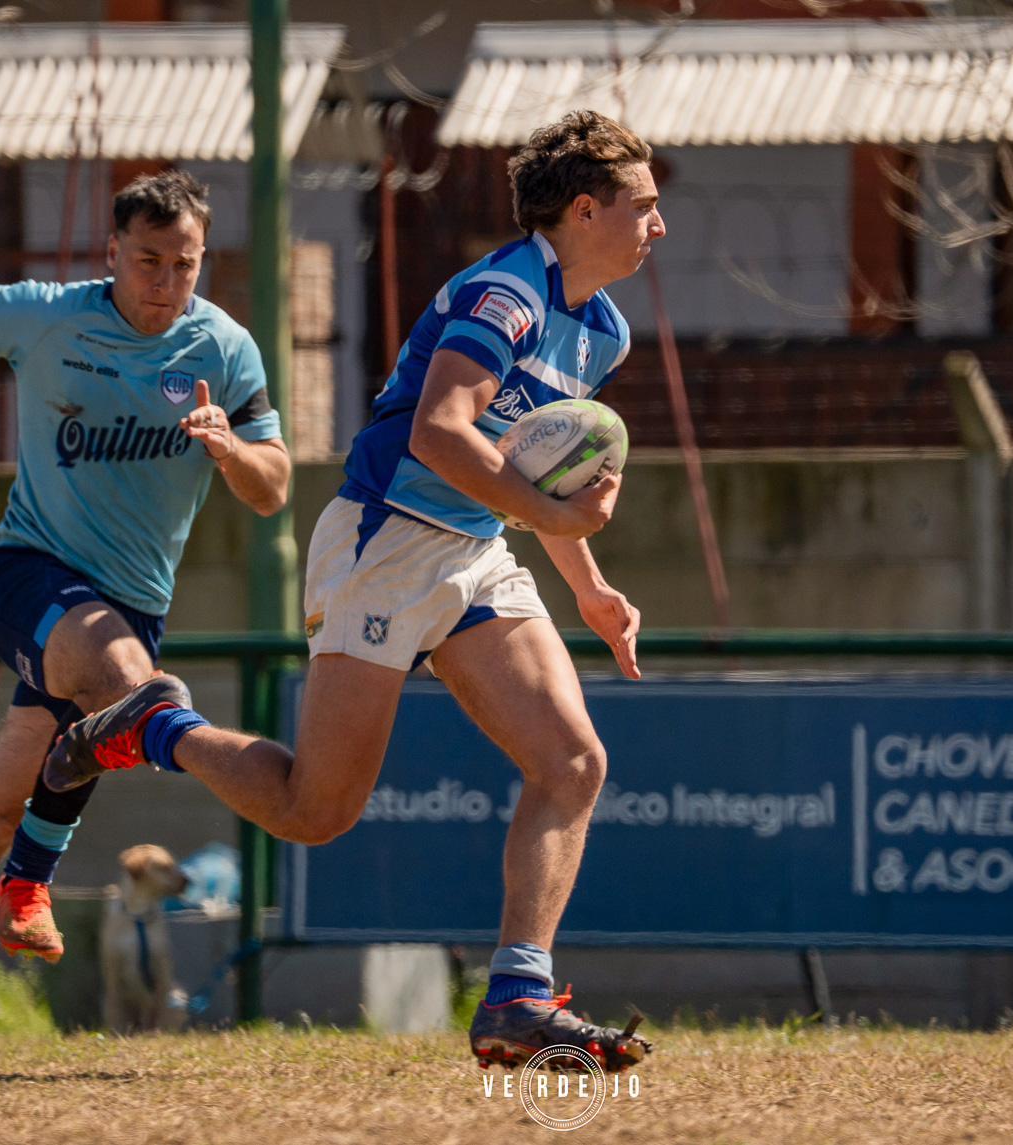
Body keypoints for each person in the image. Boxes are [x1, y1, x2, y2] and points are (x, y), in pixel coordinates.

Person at [43, 110, 662, 1070]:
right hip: (385, 541)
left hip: (475, 548)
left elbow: (535, 466)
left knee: (574, 762)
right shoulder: (506, 293)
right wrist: (556, 516)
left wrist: (588, 582)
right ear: (584, 210)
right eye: (643, 204)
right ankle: (154, 724)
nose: (658, 224)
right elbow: (439, 434)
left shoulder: (603, 330)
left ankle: (517, 997)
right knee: (314, 810)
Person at [0, 170, 290, 1050]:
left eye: (184, 264)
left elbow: (275, 486)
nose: (166, 282)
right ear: (111, 251)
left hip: (131, 606)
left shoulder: (224, 349)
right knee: (129, 687)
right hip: (30, 575)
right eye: (147, 260)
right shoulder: (46, 314)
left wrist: (232, 452)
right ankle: (30, 880)